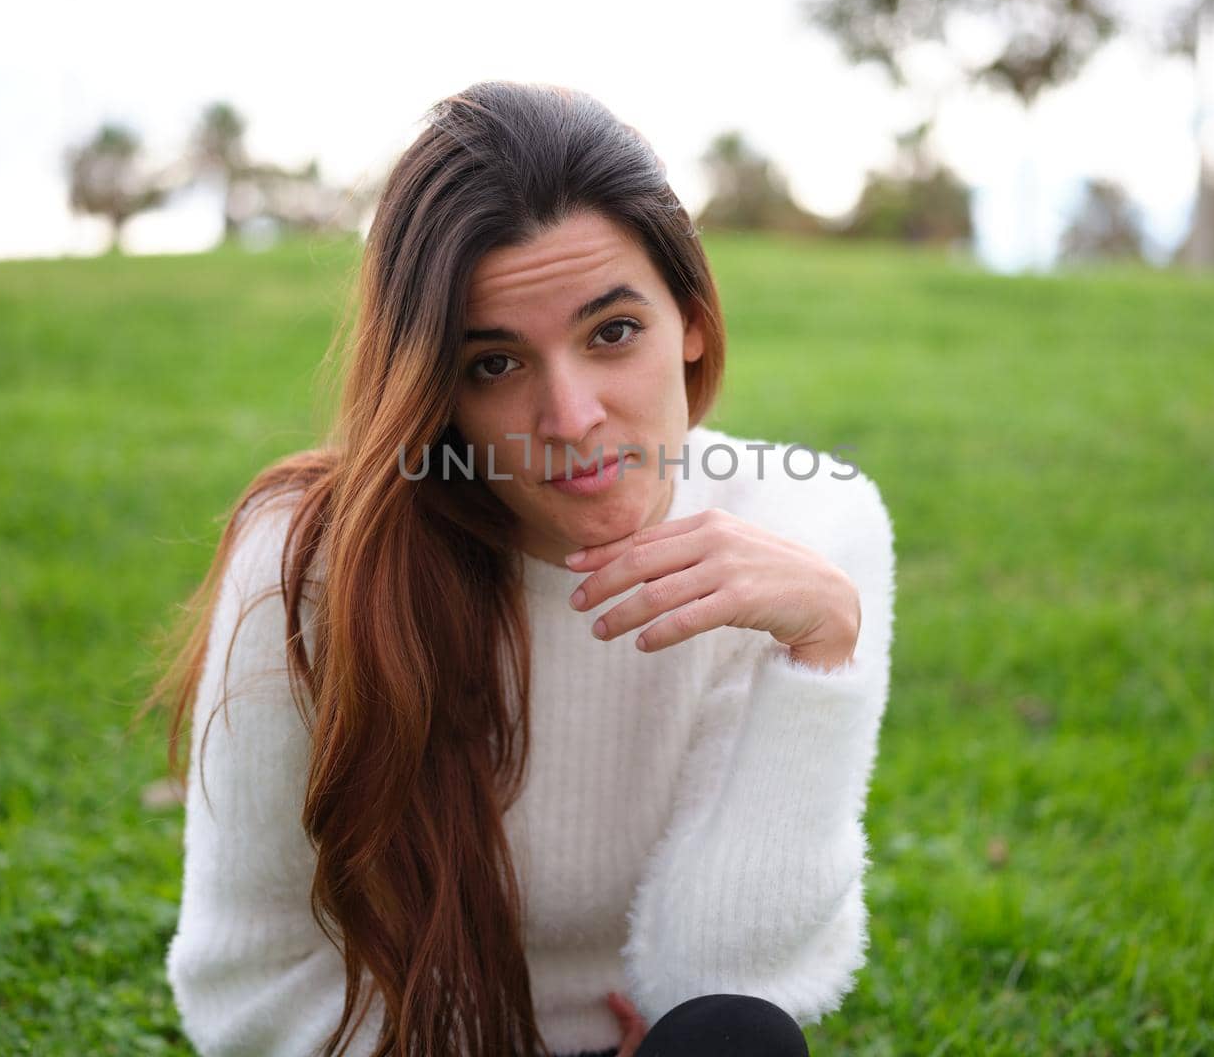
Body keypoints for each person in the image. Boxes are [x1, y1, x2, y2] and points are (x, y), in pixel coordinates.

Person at [141, 80, 896, 1057]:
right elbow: (248, 987)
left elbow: (729, 986)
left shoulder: (809, 522)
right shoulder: (309, 558)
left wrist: (822, 660)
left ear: (693, 319)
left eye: (612, 333)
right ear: (435, 392)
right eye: (494, 364)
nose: (572, 416)